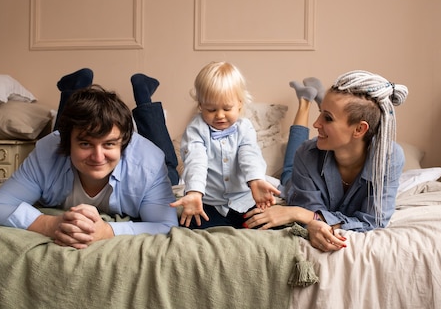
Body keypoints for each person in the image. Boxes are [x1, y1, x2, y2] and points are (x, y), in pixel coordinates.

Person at [0, 85, 179, 249]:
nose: (98, 157)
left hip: (149, 161)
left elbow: (166, 225)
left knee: (171, 166)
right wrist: (51, 224)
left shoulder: (148, 163)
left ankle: (145, 100)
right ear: (67, 143)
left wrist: (107, 231)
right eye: (85, 144)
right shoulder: (47, 152)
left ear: (123, 143)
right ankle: (73, 87)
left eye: (109, 144)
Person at [243, 70, 408, 253]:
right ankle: (305, 102)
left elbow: (373, 222)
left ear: (360, 129)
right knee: (289, 170)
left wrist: (299, 213)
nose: (315, 124)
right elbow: (313, 215)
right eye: (321, 113)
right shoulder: (307, 154)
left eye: (327, 118)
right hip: (294, 182)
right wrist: (313, 219)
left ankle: (309, 100)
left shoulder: (390, 158)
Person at [170, 61, 280, 229]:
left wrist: (256, 180)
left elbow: (249, 154)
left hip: (245, 199)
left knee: (268, 225)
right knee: (191, 227)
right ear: (200, 105)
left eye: (227, 108)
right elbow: (196, 160)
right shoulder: (195, 129)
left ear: (240, 103)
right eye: (211, 110)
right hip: (208, 202)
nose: (220, 115)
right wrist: (194, 192)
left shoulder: (245, 127)